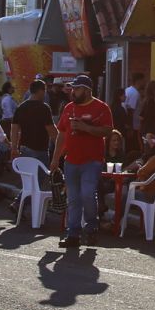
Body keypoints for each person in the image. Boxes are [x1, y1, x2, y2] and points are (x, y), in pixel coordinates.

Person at [49, 74, 113, 249]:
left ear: (87, 90)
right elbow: (62, 134)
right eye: (72, 88)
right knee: (73, 198)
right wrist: (55, 158)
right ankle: (73, 234)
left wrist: (86, 128)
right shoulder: (69, 108)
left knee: (87, 194)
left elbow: (108, 131)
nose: (73, 91)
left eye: (77, 89)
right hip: (71, 160)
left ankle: (91, 227)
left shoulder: (101, 108)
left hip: (92, 160)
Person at [9, 79, 57, 165]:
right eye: (45, 90)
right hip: (40, 149)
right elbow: (51, 130)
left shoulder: (20, 107)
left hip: (24, 148)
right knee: (41, 173)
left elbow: (14, 130)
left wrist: (14, 148)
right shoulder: (44, 108)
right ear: (40, 91)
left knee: (26, 173)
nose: (45, 93)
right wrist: (60, 146)